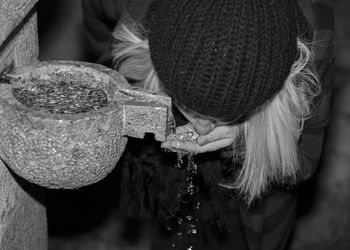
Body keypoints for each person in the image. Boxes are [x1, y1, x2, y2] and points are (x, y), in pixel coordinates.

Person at [82, 0, 335, 249]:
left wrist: (243, 138)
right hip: (169, 173)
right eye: (188, 106)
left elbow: (304, 162)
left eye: (221, 116)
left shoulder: (314, 33)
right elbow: (97, 22)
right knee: (174, 229)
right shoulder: (137, 10)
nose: (202, 129)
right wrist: (118, 77)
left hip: (259, 178)